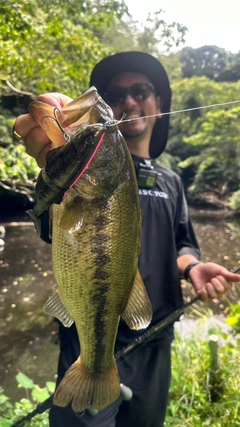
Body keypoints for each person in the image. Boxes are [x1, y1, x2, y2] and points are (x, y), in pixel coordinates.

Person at [13, 51, 240, 427]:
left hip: (155, 342)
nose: (128, 101)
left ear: (159, 102)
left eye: (140, 90)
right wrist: (54, 158)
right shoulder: (85, 163)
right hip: (88, 341)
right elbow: (50, 221)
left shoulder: (172, 181)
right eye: (115, 96)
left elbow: (182, 243)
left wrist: (194, 267)